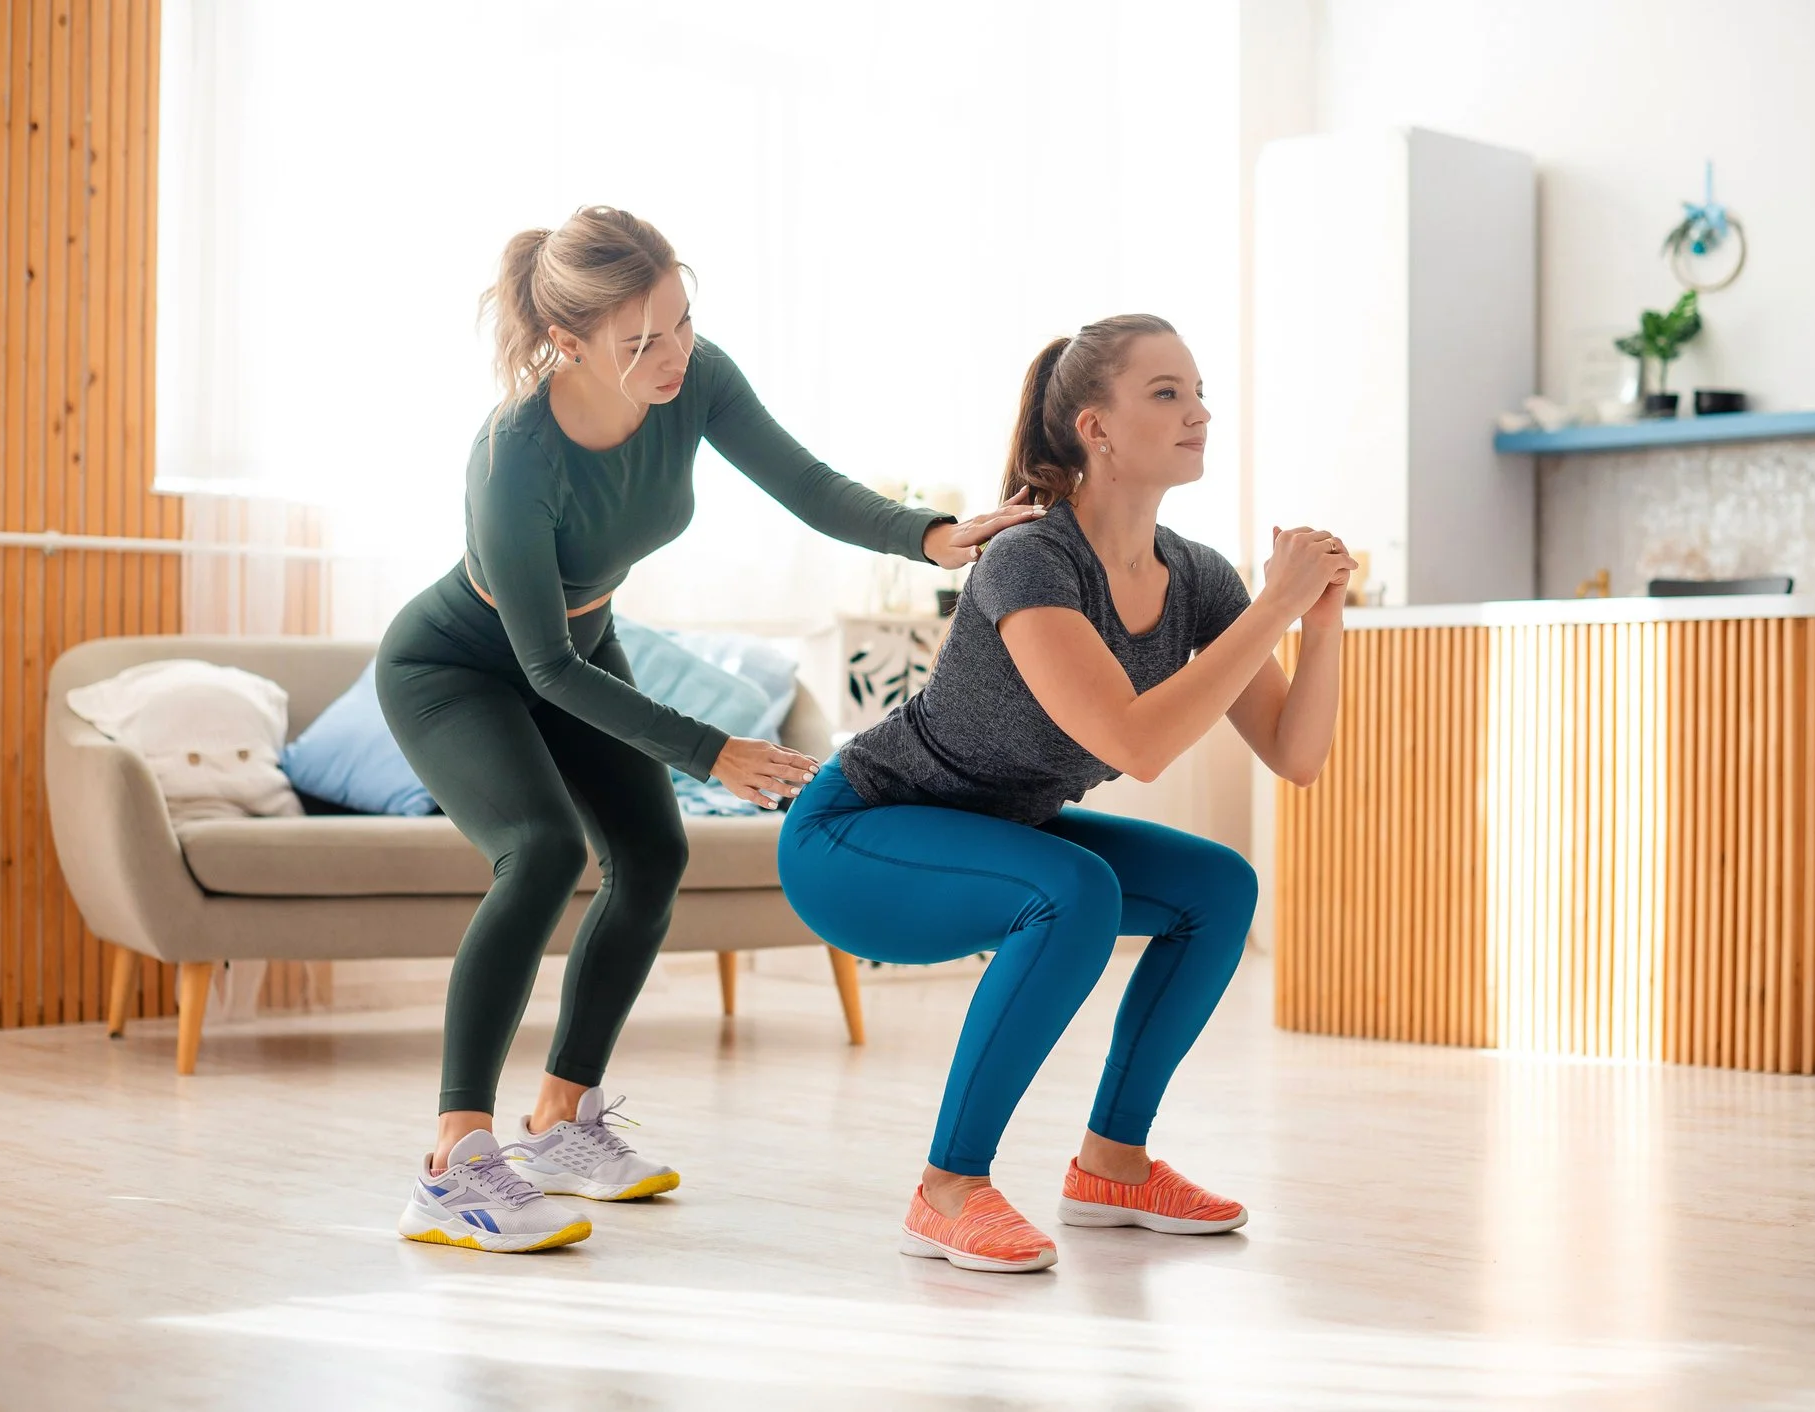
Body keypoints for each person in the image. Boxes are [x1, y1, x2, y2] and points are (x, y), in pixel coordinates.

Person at [380, 206, 1042, 1253]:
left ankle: (559, 1119)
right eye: (643, 340)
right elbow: (540, 665)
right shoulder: (515, 452)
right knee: (542, 850)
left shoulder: (694, 379)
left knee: (651, 852)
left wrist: (933, 536)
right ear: (569, 343)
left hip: (579, 645)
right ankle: (454, 1161)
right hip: (459, 665)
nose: (674, 354)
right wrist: (709, 749)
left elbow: (805, 484)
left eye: (682, 321)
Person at [777, 315, 1355, 1273]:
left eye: (1200, 391)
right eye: (1167, 393)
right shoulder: (1030, 561)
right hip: (855, 840)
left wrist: (1319, 621)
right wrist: (1272, 609)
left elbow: (1297, 756)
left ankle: (1113, 1166)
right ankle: (948, 1189)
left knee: (1219, 888)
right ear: (1095, 426)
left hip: (999, 838)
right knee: (1075, 886)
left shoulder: (1196, 577)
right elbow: (1137, 744)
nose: (1200, 413)